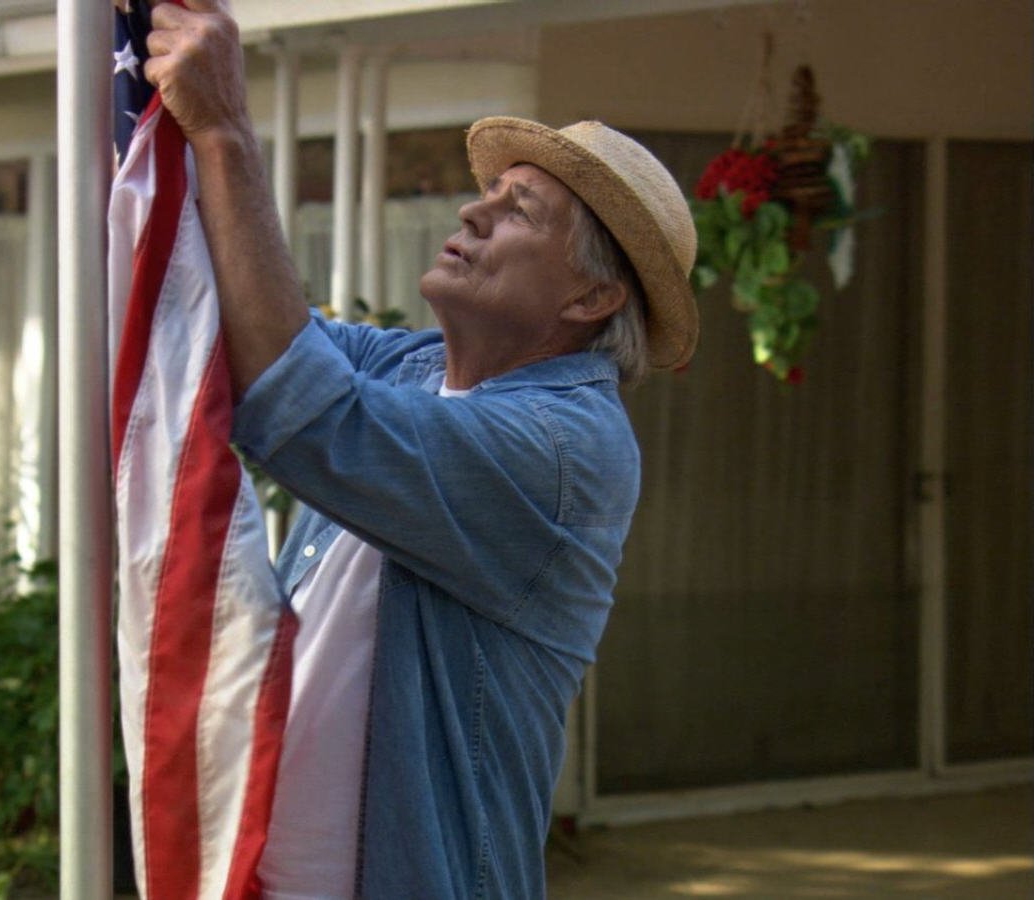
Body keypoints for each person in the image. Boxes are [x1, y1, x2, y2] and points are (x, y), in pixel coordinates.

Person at [143, 1, 698, 896]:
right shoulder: (413, 367)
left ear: (592, 299)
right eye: (490, 193)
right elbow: (241, 333)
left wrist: (226, 133)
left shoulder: (567, 450)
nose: (474, 211)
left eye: (519, 211)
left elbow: (299, 405)